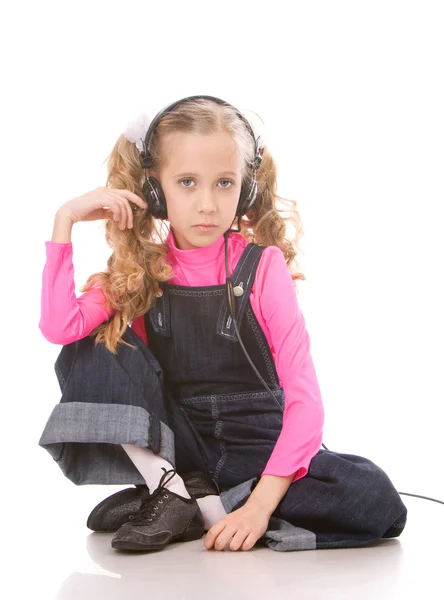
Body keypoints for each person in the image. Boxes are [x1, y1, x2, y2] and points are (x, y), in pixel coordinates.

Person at [38, 95, 407, 553]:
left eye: (225, 183)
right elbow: (60, 327)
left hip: (257, 450)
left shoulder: (264, 268)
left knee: (375, 498)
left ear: (246, 188)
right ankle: (169, 488)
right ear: (155, 190)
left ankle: (205, 505)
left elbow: (305, 401)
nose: (208, 205)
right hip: (185, 443)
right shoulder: (139, 269)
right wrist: (64, 222)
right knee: (94, 342)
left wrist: (261, 506)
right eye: (187, 182)